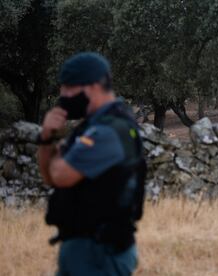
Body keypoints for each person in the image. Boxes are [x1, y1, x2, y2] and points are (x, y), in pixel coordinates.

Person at [37, 52, 146, 276]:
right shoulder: (92, 126)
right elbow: (50, 177)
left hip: (99, 254)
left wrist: (55, 145)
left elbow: (59, 175)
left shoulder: (107, 131)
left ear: (95, 85)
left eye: (69, 87)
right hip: (83, 248)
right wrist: (47, 137)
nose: (63, 94)